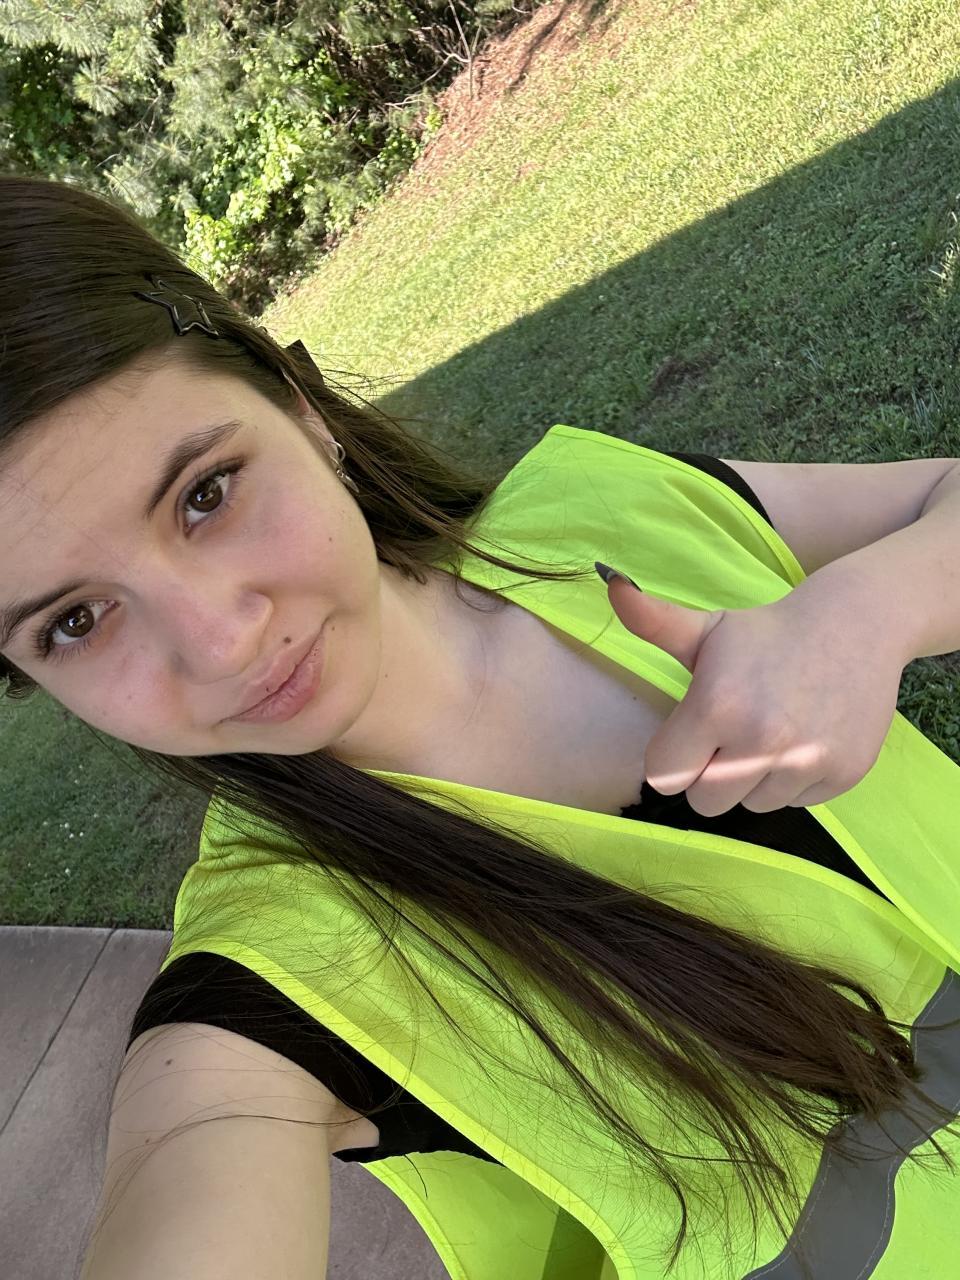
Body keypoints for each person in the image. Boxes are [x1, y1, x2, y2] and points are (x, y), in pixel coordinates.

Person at [2, 174, 959, 1280]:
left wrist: (863, 611)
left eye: (207, 494)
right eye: (75, 622)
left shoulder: (601, 508)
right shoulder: (271, 975)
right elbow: (194, 1156)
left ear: (303, 411)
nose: (218, 643)